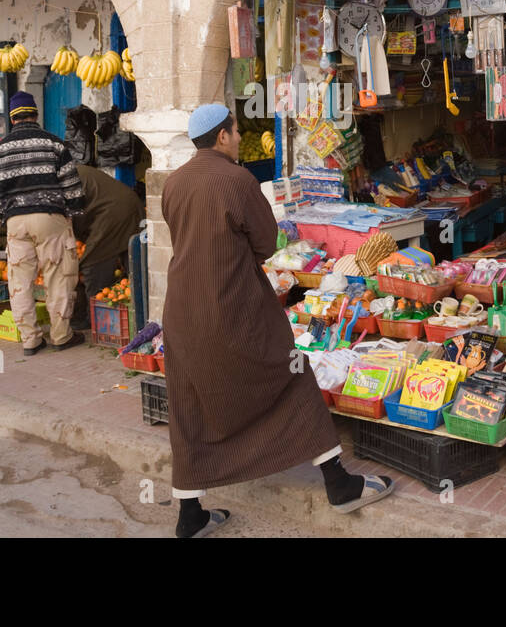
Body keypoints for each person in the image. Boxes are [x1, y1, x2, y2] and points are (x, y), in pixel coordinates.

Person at [161, 103, 393, 538]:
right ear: (223, 136)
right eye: (233, 130)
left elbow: (185, 239)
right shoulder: (237, 179)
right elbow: (266, 242)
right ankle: (339, 484)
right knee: (292, 377)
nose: (236, 137)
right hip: (232, 307)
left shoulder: (174, 183)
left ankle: (189, 514)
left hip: (181, 312)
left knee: (189, 404)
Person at [0, 92, 85, 355]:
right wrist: (71, 212)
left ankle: (30, 340)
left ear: (12, 118)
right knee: (58, 277)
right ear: (35, 114)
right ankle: (61, 336)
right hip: (50, 219)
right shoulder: (54, 144)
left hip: (16, 221)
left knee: (19, 282)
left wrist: (1, 218)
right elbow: (72, 187)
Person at [71, 163, 143, 330]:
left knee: (92, 264)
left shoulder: (63, 176)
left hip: (112, 214)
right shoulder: (70, 170)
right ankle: (137, 315)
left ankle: (97, 320)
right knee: (133, 268)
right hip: (123, 207)